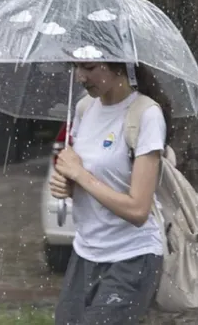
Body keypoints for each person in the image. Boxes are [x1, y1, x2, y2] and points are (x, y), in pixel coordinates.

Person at [50, 62, 170, 324]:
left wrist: (81, 175)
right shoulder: (84, 108)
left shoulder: (145, 115)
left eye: (90, 67)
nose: (80, 76)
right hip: (86, 253)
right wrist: (68, 184)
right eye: (76, 66)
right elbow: (91, 179)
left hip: (131, 257)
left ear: (119, 66)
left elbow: (138, 210)